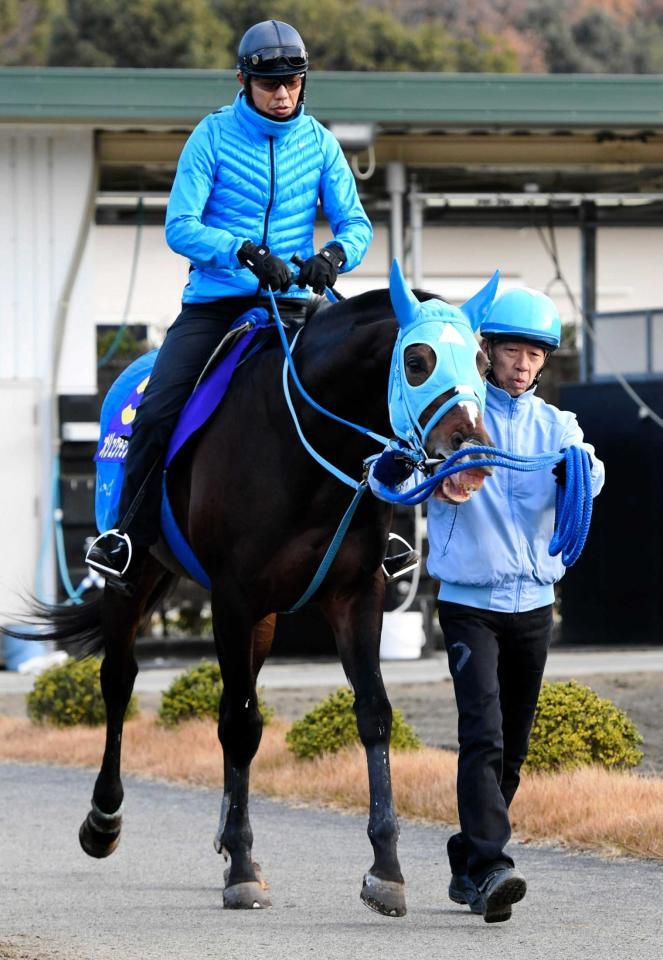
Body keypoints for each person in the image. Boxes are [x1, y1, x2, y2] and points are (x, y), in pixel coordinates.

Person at [86, 19, 372, 583]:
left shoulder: (320, 143)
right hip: (218, 303)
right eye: (270, 84)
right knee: (158, 407)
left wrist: (335, 257)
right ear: (243, 80)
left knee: (366, 387)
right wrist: (241, 251)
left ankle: (376, 532)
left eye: (293, 82)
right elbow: (179, 227)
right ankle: (128, 537)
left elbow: (355, 223)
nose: (283, 94)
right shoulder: (211, 136)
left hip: (294, 303)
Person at [371, 287, 605, 923]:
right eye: (509, 351)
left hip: (534, 604)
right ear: (487, 355)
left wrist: (577, 468)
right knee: (483, 733)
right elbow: (397, 468)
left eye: (533, 354)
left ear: (543, 361)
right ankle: (494, 865)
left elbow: (595, 473)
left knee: (515, 745)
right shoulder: (458, 418)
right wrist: (413, 465)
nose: (522, 364)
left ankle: (469, 858)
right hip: (470, 603)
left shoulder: (557, 425)